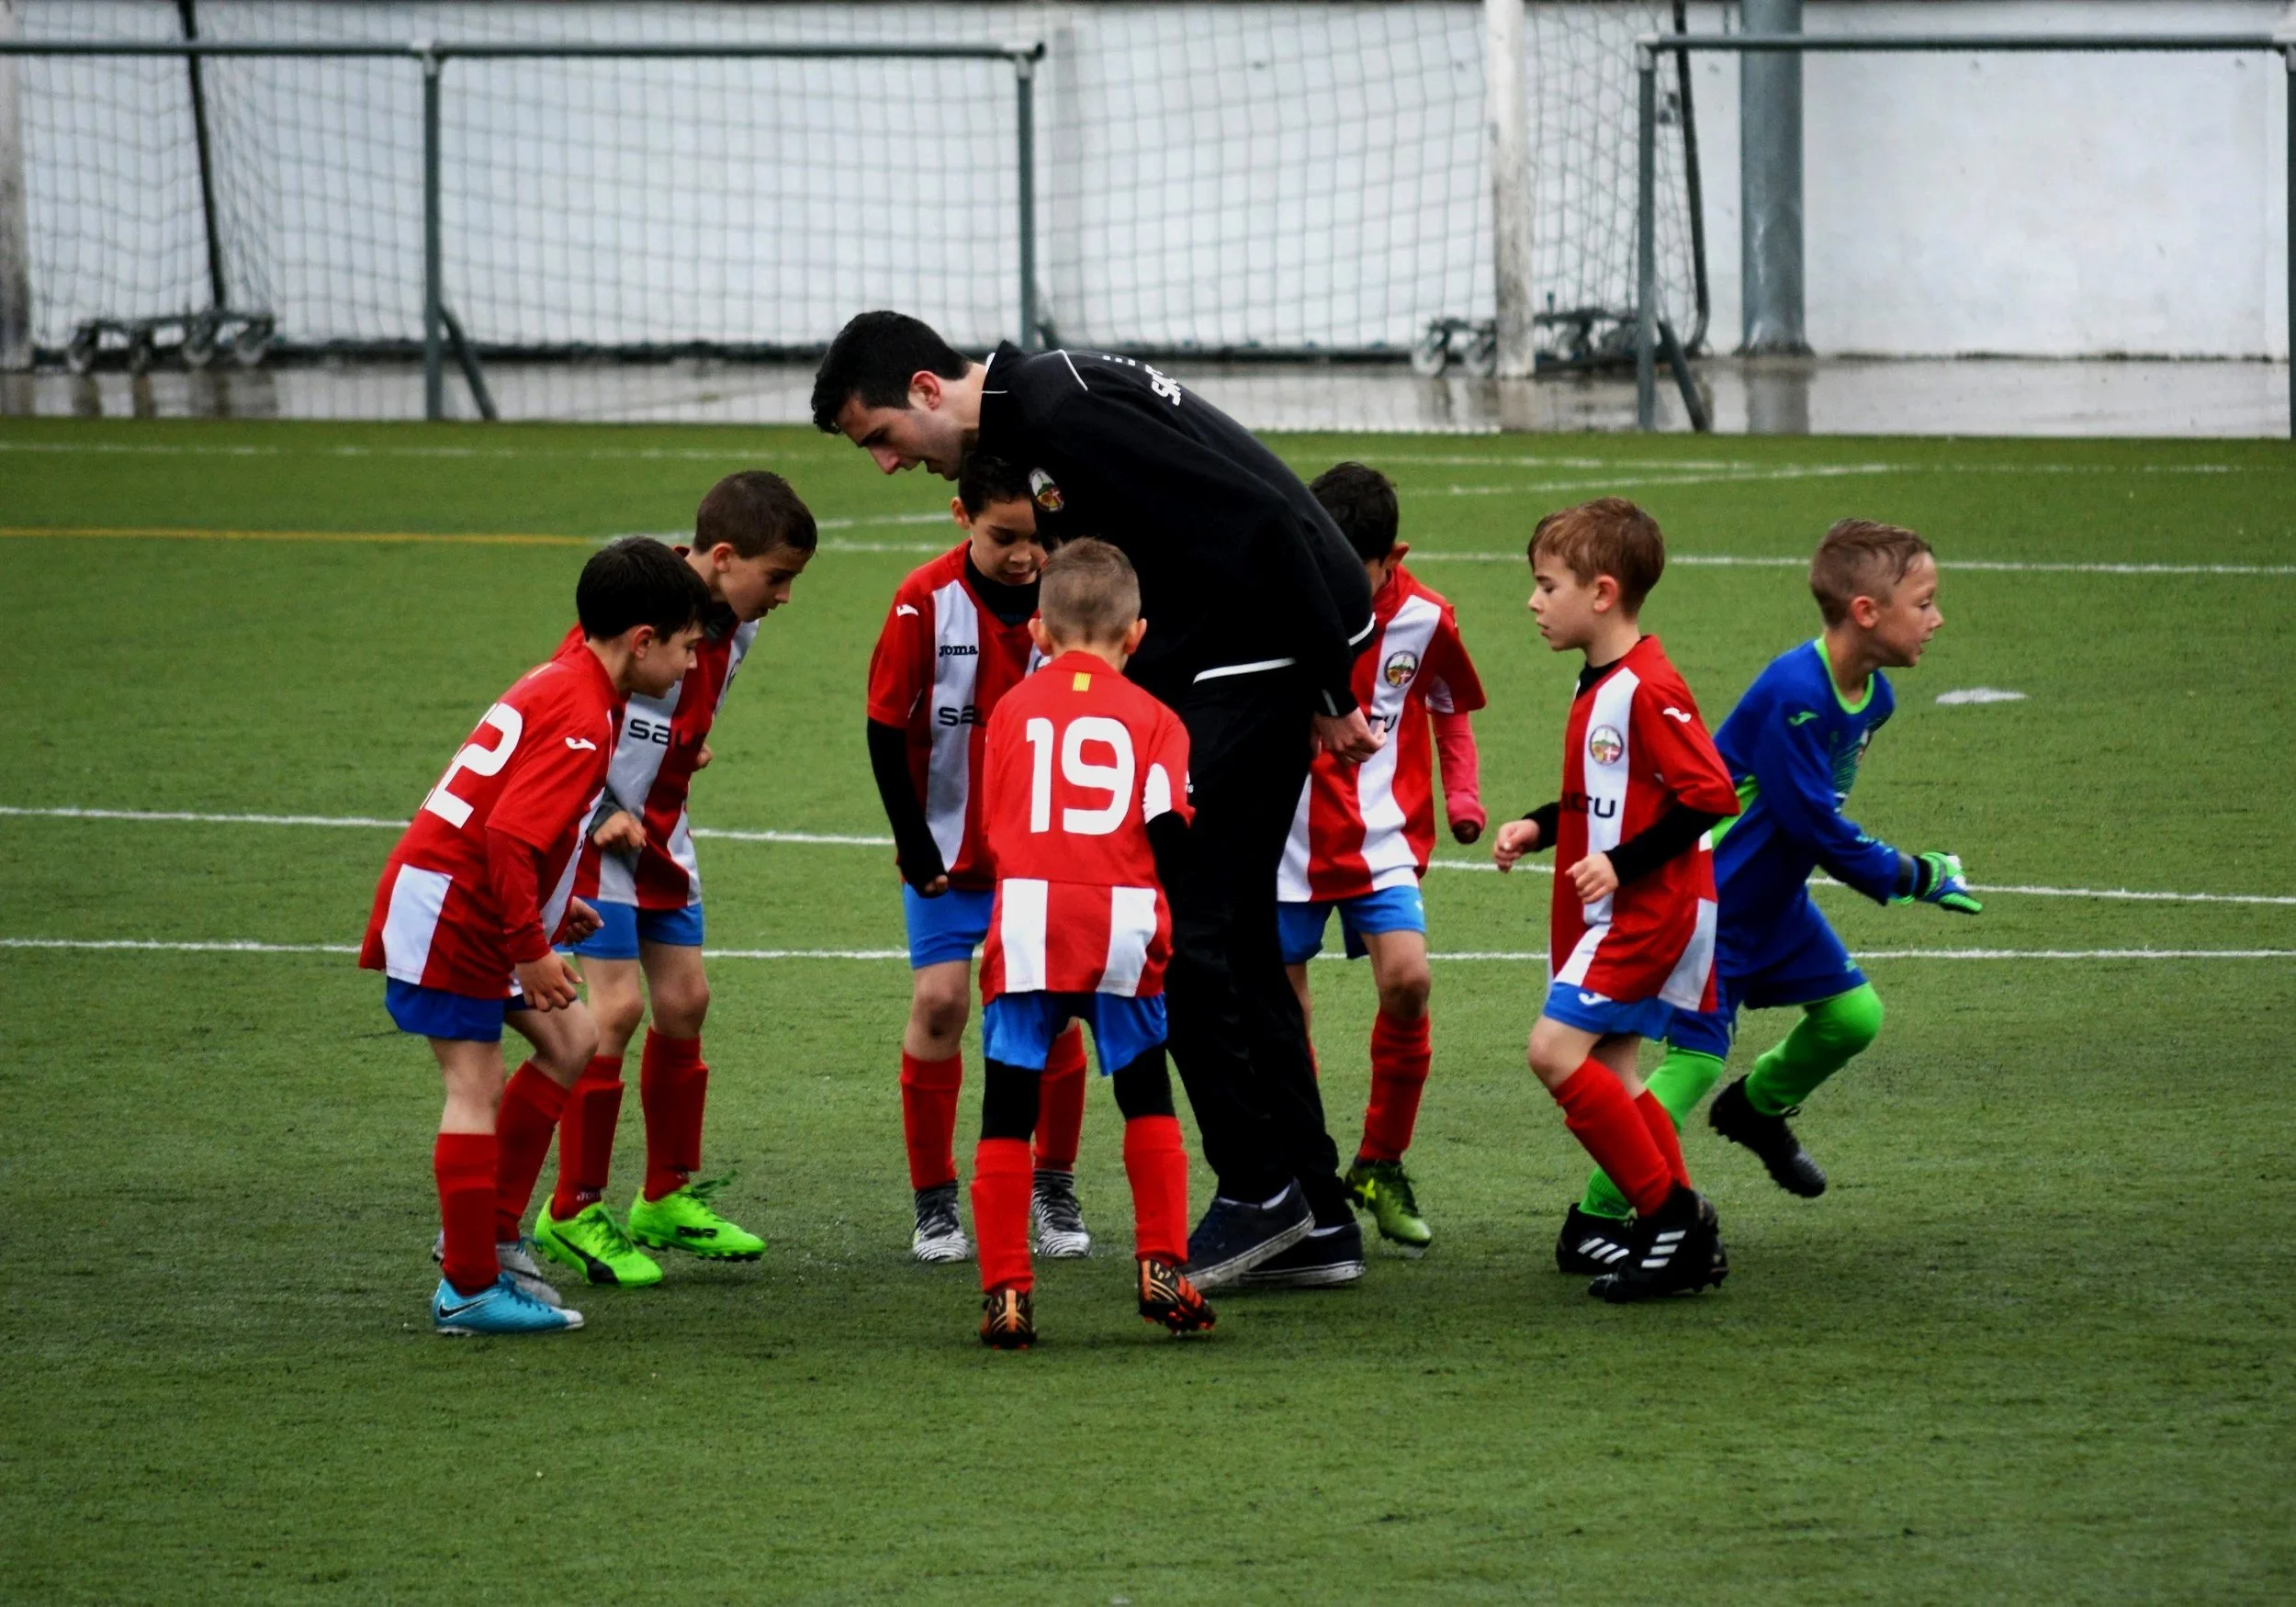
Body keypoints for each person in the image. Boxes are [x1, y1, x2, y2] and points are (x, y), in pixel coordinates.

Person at [812, 311, 1379, 1290]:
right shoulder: (1038, 407)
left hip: (1269, 651)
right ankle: (1314, 1213)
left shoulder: (1057, 412)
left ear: (922, 390)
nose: (888, 465)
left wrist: (1328, 688)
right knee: (1237, 934)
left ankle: (1258, 1188)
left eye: (881, 441)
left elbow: (1264, 517)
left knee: (1181, 931)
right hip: (1251, 648)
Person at [1559, 520, 1978, 1272]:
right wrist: (1911, 874)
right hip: (1713, 909)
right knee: (1683, 1069)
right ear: (1866, 612)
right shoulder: (1796, 693)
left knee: (1854, 1016)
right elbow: (1812, 822)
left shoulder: (1873, 699)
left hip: (1777, 905)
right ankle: (1596, 1213)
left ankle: (1756, 1109)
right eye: (1926, 601)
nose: (1938, 618)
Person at [359, 536, 709, 1336]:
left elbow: (520, 827)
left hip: (478, 903)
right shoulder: (586, 714)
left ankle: (495, 1233)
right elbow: (508, 840)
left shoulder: (576, 685)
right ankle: (469, 1287)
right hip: (455, 909)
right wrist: (531, 945)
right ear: (643, 641)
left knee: (572, 1038)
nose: (693, 666)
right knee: (473, 1087)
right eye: (688, 647)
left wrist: (555, 915)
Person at [519, 475, 816, 1289]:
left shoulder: (736, 628)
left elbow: (676, 716)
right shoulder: (637, 610)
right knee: (613, 1010)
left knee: (685, 1004)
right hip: (597, 832)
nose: (785, 596)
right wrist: (609, 802)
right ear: (722, 560)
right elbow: (567, 711)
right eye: (777, 578)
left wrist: (683, 752)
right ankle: (572, 1208)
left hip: (662, 831)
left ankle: (665, 1196)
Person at [1489, 499, 1739, 1303]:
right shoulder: (1602, 680)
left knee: (1553, 1053)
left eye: (1545, 584)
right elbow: (1607, 791)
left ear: (1601, 593)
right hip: (1623, 904)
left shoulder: (1648, 686)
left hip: (1646, 908)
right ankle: (1679, 1233)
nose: (1532, 601)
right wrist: (1539, 824)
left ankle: (1670, 1220)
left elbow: (1709, 794)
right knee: (1617, 1074)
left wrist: (1620, 864)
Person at [967, 540, 1212, 1348]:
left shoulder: (1010, 711)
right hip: (1119, 920)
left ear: (1038, 632)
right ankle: (1162, 1266)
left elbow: (998, 824)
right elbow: (1166, 829)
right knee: (1145, 1094)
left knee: (1008, 1107)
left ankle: (1006, 1290)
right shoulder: (1157, 719)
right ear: (1136, 636)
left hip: (1031, 917)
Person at [864, 452, 1093, 1265]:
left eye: (1038, 537)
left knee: (1053, 1010)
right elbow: (886, 728)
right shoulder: (922, 602)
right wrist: (912, 835)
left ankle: (1054, 1185)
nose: (1027, 555)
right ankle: (933, 1202)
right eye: (1006, 538)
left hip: (1043, 853)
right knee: (939, 1005)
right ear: (963, 519)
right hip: (946, 851)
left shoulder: (1070, 604)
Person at [1276, 463, 1486, 1262]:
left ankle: (1381, 1163)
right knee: (1283, 1021)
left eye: (1350, 568)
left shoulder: (1427, 618)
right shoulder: (1278, 604)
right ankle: (1303, 1176)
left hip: (1380, 838)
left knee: (1409, 980)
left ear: (1391, 555)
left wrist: (1462, 795)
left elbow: (1448, 707)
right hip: (1284, 840)